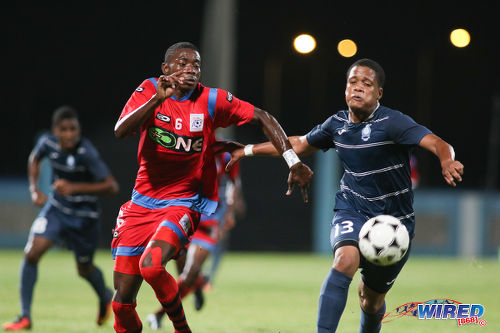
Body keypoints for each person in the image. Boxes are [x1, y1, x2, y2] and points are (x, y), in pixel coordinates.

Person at [223, 58, 464, 333]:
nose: (358, 88)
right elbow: (299, 143)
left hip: (395, 223)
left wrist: (446, 160)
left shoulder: (393, 122)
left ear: (379, 93)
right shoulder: (336, 124)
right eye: (353, 82)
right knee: (345, 259)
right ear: (345, 88)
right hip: (353, 208)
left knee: (370, 302)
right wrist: (247, 150)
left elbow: (437, 143)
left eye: (367, 84)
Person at [111, 41, 313, 333]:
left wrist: (292, 161)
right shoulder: (149, 89)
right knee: (121, 303)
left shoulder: (211, 100)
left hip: (182, 202)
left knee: (152, 265)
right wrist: (156, 99)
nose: (191, 70)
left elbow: (263, 117)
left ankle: (183, 329)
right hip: (140, 203)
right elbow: (121, 130)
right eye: (182, 64)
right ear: (165, 69)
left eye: (196, 65)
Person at [3, 106, 119, 331]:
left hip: (85, 218)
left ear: (79, 129)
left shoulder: (87, 152)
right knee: (32, 253)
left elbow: (111, 186)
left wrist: (73, 187)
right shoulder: (47, 143)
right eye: (64, 129)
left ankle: (105, 296)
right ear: (55, 131)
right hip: (56, 210)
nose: (69, 134)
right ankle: (25, 316)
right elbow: (34, 157)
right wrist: (34, 189)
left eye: (73, 129)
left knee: (84, 269)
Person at [145, 150, 242, 330]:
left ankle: (157, 315)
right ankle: (197, 284)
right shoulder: (188, 149)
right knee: (180, 273)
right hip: (183, 218)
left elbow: (233, 184)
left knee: (188, 274)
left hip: (209, 222)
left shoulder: (226, 156)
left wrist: (229, 213)